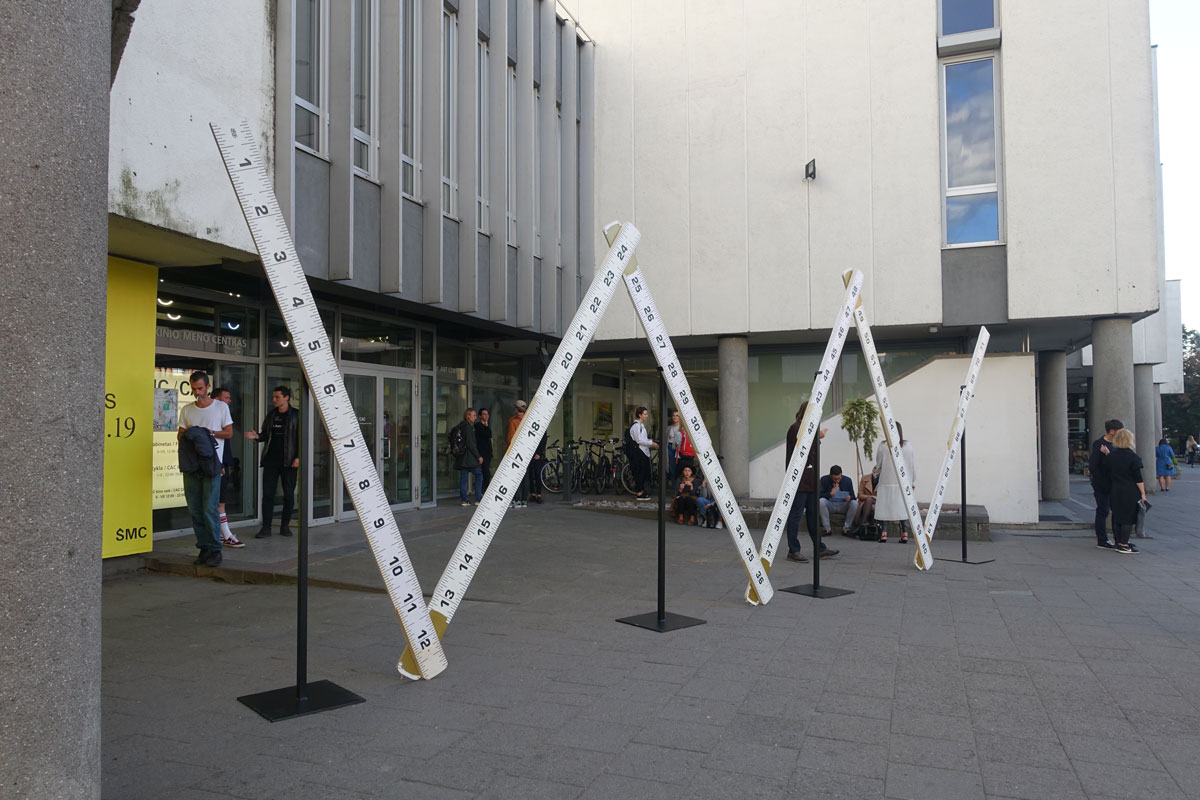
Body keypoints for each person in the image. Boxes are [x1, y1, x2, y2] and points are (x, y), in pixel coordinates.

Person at [177, 371, 233, 567]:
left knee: (209, 508)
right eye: (194, 389)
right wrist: (192, 434)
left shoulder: (220, 407)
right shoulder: (187, 410)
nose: (197, 392)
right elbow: (180, 435)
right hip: (192, 464)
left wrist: (209, 434)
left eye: (200, 388)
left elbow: (229, 433)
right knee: (195, 509)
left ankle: (215, 549)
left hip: (212, 464)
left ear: (208, 387)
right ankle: (204, 548)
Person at [784, 402, 837, 562]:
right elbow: (802, 446)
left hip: (811, 479)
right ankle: (793, 550)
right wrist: (817, 436)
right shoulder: (795, 428)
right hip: (799, 480)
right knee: (795, 515)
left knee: (813, 516)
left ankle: (819, 548)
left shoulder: (808, 429)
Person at [245, 385, 300, 538]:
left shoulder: (296, 415)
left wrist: (298, 457)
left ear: (286, 398)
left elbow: (302, 438)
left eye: (277, 397)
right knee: (268, 495)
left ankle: (285, 526)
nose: (274, 399)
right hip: (271, 461)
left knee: (288, 495)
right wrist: (257, 436)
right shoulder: (272, 414)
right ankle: (266, 528)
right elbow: (265, 435)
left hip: (289, 461)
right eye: (273, 397)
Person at [211, 388, 245, 549]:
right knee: (219, 502)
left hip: (222, 463)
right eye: (226, 398)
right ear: (217, 400)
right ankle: (226, 535)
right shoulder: (212, 418)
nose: (229, 401)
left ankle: (219, 533)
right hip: (217, 464)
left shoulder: (224, 416)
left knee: (220, 500)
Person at [874, 420, 915, 544]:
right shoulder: (907, 446)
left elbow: (879, 464)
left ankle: (884, 533)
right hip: (903, 482)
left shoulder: (883, 446)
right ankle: (905, 534)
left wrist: (875, 474)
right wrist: (912, 481)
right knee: (903, 507)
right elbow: (911, 465)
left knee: (885, 506)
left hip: (886, 480)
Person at [1108, 429, 1147, 554]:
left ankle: (1118, 542)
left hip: (1115, 489)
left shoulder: (1111, 456)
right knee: (1128, 518)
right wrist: (1143, 493)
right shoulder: (1133, 457)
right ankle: (1124, 544)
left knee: (1117, 516)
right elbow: (1138, 478)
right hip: (1130, 490)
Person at [1088, 418, 1122, 549]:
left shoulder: (1118, 445)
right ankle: (1102, 539)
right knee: (1103, 510)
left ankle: (1118, 539)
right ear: (1112, 431)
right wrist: (1099, 481)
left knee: (1116, 511)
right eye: (1119, 431)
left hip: (1115, 483)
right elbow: (1094, 465)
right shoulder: (1099, 444)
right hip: (1103, 484)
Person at [819, 465, 860, 538]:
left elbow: (853, 496)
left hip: (843, 504)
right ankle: (827, 529)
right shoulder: (824, 479)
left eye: (839, 478)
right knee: (821, 501)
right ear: (830, 476)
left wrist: (849, 498)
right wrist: (830, 494)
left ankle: (846, 529)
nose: (837, 481)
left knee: (854, 503)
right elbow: (819, 495)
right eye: (835, 479)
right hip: (830, 504)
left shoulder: (847, 480)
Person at [452, 409, 483, 506]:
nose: (475, 417)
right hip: (469, 458)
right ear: (468, 416)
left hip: (461, 457)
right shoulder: (468, 428)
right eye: (474, 415)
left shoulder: (460, 426)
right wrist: (478, 456)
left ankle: (464, 500)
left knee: (463, 478)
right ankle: (478, 498)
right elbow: (471, 444)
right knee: (479, 475)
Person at [628, 406, 658, 500]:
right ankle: (639, 493)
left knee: (644, 471)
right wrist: (651, 443)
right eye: (645, 414)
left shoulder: (641, 425)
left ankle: (641, 490)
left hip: (643, 451)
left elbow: (642, 439)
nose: (647, 416)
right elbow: (639, 440)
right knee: (640, 472)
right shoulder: (637, 426)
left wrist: (649, 441)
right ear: (639, 415)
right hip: (639, 451)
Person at [507, 400, 530, 507]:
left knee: (515, 476)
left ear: (516, 409)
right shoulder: (529, 419)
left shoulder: (513, 421)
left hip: (516, 451)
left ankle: (517, 499)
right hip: (527, 450)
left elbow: (511, 438)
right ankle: (524, 500)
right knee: (525, 476)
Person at [474, 407, 494, 492]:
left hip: (487, 453)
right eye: (484, 414)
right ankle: (483, 491)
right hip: (481, 453)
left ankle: (483, 490)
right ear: (480, 416)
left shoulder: (486, 426)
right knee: (486, 473)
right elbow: (487, 434)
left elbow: (489, 435)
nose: (486, 416)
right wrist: (486, 426)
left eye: (487, 414)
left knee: (485, 472)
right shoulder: (478, 426)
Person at [528, 433, 546, 504]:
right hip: (529, 452)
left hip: (538, 453)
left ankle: (539, 494)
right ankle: (533, 494)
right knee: (530, 473)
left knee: (537, 473)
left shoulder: (542, 428)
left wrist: (539, 453)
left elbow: (543, 440)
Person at [666, 410, 682, 484]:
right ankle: (674, 485)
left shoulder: (682, 427)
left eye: (677, 415)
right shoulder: (669, 428)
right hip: (670, 447)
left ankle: (679, 485)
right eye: (673, 415)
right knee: (671, 467)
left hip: (679, 448)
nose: (675, 417)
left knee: (679, 467)